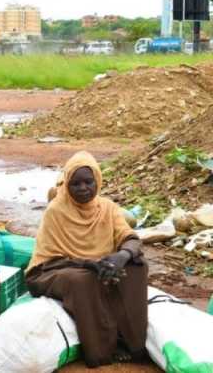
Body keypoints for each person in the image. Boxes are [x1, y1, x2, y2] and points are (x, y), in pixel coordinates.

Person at [26, 151, 147, 368]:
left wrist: (122, 255)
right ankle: (101, 350)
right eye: (76, 184)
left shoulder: (108, 208)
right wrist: (89, 263)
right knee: (82, 280)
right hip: (54, 269)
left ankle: (133, 343)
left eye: (88, 182)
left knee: (137, 266)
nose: (83, 188)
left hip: (99, 265)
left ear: (97, 181)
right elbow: (51, 258)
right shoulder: (56, 210)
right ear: (67, 186)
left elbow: (131, 238)